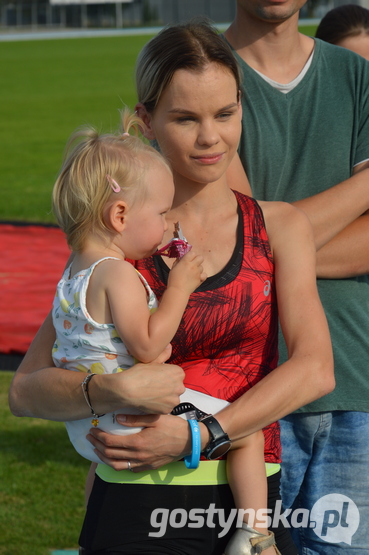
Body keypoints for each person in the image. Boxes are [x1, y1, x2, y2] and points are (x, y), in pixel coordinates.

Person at [8, 21, 334, 555]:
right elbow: (25, 391)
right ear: (147, 122)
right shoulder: (118, 247)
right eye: (185, 118)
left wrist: (199, 435)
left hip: (246, 509)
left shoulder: (279, 226)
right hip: (132, 502)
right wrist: (109, 391)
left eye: (226, 114)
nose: (211, 137)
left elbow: (315, 369)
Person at [50, 111, 278, 554]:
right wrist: (180, 287)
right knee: (247, 429)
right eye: (158, 213)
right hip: (129, 419)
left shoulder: (72, 275)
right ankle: (254, 534)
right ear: (119, 214)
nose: (164, 224)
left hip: (91, 426)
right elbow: (150, 345)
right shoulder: (117, 274)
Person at [224, 1, 369, 553]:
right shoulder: (201, 73)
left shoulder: (357, 75)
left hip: (353, 376)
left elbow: (248, 240)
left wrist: (265, 244)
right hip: (242, 386)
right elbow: (227, 231)